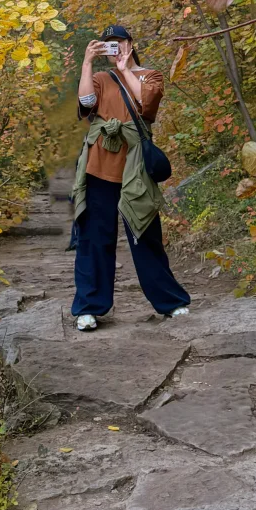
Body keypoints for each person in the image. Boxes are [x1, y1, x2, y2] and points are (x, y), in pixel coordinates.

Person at [70, 23, 191, 331]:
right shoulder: (100, 78)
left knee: (146, 235)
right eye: (109, 44)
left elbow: (147, 105)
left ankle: (169, 301)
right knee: (94, 238)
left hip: (136, 167)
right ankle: (89, 308)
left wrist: (125, 70)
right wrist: (86, 63)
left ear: (130, 43)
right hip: (99, 164)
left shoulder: (151, 76)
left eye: (119, 42)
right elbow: (86, 104)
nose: (115, 48)